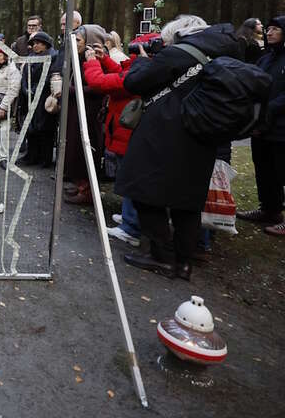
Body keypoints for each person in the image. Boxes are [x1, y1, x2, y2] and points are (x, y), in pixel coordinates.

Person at [116, 16, 243, 280]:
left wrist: (141, 60)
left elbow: (134, 83)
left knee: (142, 190)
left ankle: (162, 256)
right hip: (202, 135)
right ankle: (184, 263)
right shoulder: (222, 52)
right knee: (188, 201)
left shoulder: (178, 54)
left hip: (165, 133)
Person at [82, 35, 145, 246]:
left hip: (127, 135)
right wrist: (104, 60)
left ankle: (131, 227)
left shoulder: (145, 74)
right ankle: (130, 216)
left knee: (132, 179)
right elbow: (122, 74)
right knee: (128, 177)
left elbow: (103, 83)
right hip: (123, 133)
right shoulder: (142, 69)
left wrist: (92, 63)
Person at [240, 16, 285, 234]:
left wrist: (269, 110)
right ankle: (269, 209)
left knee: (282, 172)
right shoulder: (266, 58)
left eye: (275, 29)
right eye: (268, 29)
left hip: (281, 128)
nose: (269, 32)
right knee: (264, 171)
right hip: (261, 127)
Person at [63, 24, 108, 204]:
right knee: (75, 148)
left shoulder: (97, 60)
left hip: (90, 111)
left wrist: (70, 89)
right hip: (76, 110)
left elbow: (98, 86)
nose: (76, 43)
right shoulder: (79, 58)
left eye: (79, 40)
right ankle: (79, 183)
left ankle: (87, 190)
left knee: (87, 148)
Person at [17, 32, 57, 166]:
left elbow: (50, 75)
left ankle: (45, 158)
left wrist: (36, 89)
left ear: (46, 44)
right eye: (33, 43)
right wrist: (25, 88)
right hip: (29, 97)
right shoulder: (31, 57)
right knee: (31, 127)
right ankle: (31, 155)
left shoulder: (53, 56)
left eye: (38, 43)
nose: (35, 46)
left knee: (45, 129)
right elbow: (24, 75)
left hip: (44, 98)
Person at [0, 48, 21, 169]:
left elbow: (13, 90)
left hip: (5, 106)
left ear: (6, 57)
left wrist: (3, 106)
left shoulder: (12, 70)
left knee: (4, 130)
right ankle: (0, 154)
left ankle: (4, 158)